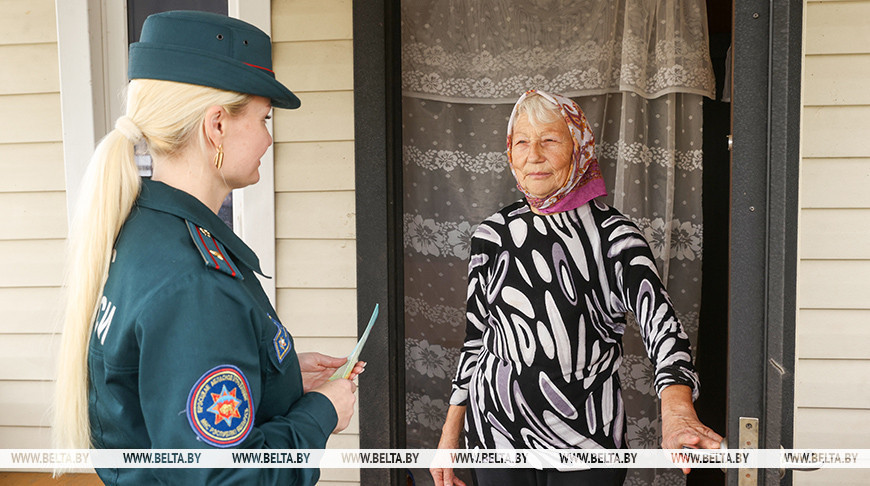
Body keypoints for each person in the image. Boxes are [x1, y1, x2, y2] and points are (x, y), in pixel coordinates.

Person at [53, 11, 362, 485]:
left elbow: (164, 394)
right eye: (263, 118)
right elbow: (227, 478)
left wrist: (276, 377)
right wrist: (321, 413)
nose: (267, 137)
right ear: (216, 127)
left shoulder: (142, 231)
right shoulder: (195, 282)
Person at [430, 90, 722, 486]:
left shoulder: (614, 237)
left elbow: (663, 327)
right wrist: (450, 435)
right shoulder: (492, 235)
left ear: (580, 146)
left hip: (588, 437)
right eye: (521, 142)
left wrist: (677, 410)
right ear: (509, 153)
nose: (533, 154)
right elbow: (476, 340)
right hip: (497, 435)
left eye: (549, 139)